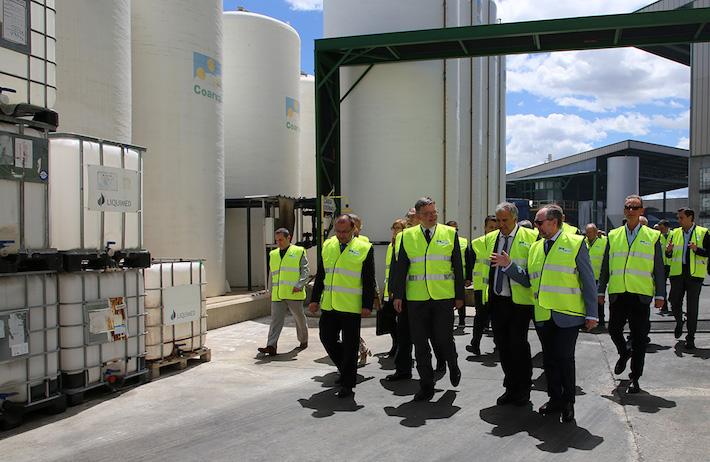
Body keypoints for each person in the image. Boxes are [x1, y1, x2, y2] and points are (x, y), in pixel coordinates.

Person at [493, 204, 598, 422]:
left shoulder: (575, 243)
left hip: (567, 314)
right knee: (549, 360)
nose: (536, 226)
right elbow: (528, 280)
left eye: (539, 222)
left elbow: (588, 280)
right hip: (542, 314)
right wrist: (509, 265)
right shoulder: (535, 247)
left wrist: (592, 314)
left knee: (565, 359)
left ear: (554, 222)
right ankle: (555, 399)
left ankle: (568, 402)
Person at [392, 197, 464, 401]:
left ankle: (453, 364)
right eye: (427, 214)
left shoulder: (449, 233)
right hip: (417, 298)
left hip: (443, 296)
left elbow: (457, 266)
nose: (432, 216)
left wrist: (459, 295)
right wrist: (398, 295)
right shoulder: (406, 236)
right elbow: (401, 267)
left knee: (444, 338)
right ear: (418, 215)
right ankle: (426, 385)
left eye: (434, 212)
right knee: (420, 344)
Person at [598, 195, 665, 394]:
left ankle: (635, 377)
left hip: (640, 294)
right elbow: (605, 265)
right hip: (618, 292)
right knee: (613, 330)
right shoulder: (614, 235)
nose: (630, 210)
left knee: (639, 338)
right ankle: (624, 352)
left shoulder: (653, 236)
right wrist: (601, 289)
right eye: (627, 207)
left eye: (635, 207)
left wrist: (660, 294)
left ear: (641, 210)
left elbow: (659, 268)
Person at [308, 215, 376, 398]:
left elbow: (368, 279)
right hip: (330, 305)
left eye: (345, 232)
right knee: (326, 338)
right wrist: (314, 299)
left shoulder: (364, 248)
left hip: (351, 306)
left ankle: (347, 384)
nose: (341, 235)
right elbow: (321, 275)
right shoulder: (328, 245)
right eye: (338, 231)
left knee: (350, 346)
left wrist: (367, 304)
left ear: (353, 229)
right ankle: (346, 368)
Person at [485, 202, 538, 407]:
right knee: (503, 347)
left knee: (518, 346)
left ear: (515, 218)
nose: (501, 224)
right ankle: (510, 386)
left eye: (505, 220)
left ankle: (523, 389)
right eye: (498, 220)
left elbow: (530, 278)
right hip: (498, 301)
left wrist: (509, 266)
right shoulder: (492, 239)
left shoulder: (531, 238)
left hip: (519, 304)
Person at [258, 228, 310, 356]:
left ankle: (303, 340)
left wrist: (299, 285)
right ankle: (271, 346)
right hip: (278, 294)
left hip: (294, 292)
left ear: (289, 238)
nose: (278, 243)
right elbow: (272, 274)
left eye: (281, 240)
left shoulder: (299, 251)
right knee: (275, 320)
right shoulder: (273, 254)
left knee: (299, 318)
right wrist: (270, 290)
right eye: (277, 240)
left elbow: (305, 271)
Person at [666, 208, 709, 350]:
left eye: (681, 218)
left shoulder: (703, 232)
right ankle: (680, 321)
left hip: (694, 275)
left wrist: (697, 249)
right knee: (674, 301)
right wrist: (668, 251)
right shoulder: (674, 233)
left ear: (690, 218)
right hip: (677, 274)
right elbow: (669, 254)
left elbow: (708, 252)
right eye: (678, 218)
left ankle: (690, 337)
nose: (679, 220)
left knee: (692, 307)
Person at [466, 215, 498, 355]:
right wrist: (468, 279)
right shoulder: (476, 243)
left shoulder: (501, 243)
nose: (493, 230)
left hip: (496, 287)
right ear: (485, 228)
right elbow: (470, 264)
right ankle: (475, 344)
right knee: (480, 317)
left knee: (497, 317)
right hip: (480, 287)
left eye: (496, 228)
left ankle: (499, 345)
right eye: (491, 227)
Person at [349, 213, 378, 365]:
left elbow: (369, 275)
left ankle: (361, 349)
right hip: (339, 295)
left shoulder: (364, 244)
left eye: (355, 225)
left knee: (350, 328)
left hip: (356, 294)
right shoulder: (336, 242)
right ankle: (359, 349)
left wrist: (373, 296)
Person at [382, 219, 407, 357]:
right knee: (389, 318)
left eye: (398, 228)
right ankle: (395, 342)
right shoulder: (391, 245)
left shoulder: (404, 244)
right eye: (394, 228)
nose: (395, 231)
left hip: (399, 289)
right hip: (389, 289)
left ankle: (400, 346)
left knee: (401, 321)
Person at [446, 220, 473, 326]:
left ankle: (462, 320)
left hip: (460, 276)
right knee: (448, 300)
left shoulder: (463, 242)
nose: (454, 231)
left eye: (456, 229)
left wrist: (469, 278)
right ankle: (449, 321)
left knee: (461, 298)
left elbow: (468, 261)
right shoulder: (442, 241)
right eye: (452, 229)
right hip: (446, 277)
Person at [585, 223, 608, 329]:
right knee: (587, 299)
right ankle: (587, 321)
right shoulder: (583, 242)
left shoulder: (603, 242)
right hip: (586, 277)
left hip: (598, 277)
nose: (588, 234)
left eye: (591, 232)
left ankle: (601, 321)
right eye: (587, 232)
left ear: (596, 232)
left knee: (599, 300)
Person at [657, 219, 672, 315]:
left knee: (675, 287)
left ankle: (674, 304)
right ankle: (664, 306)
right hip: (662, 265)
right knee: (662, 286)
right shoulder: (658, 236)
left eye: (662, 228)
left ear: (667, 227)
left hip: (673, 265)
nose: (660, 230)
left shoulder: (674, 235)